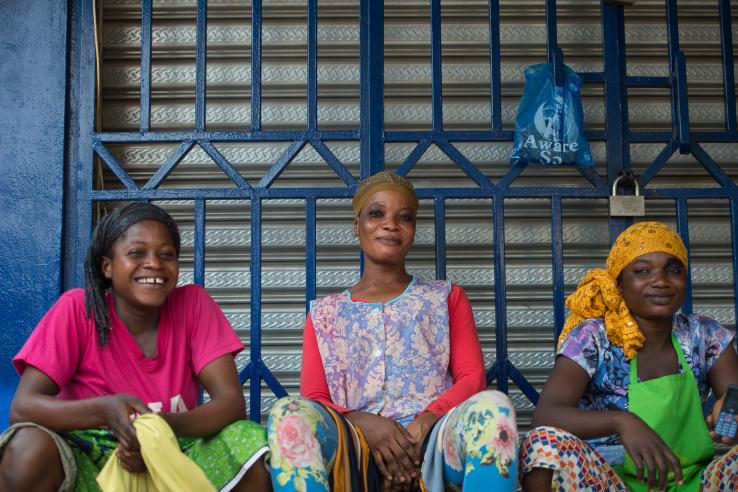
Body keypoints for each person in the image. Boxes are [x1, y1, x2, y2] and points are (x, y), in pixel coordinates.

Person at [267, 172, 518, 491]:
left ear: (413, 230)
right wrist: (364, 422)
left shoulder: (445, 298)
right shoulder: (325, 313)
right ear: (357, 225)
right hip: (353, 442)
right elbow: (315, 396)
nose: (390, 224)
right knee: (287, 412)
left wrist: (423, 423)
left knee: (494, 407)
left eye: (405, 217)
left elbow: (472, 378)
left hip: (433, 441)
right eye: (376, 214)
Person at [0, 202, 271, 492]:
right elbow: (24, 406)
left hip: (175, 448)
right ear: (107, 266)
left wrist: (158, 431)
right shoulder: (78, 310)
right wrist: (105, 412)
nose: (154, 263)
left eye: (166, 254)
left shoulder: (193, 305)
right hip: (91, 456)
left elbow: (231, 404)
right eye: (136, 253)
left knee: (248, 443)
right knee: (28, 447)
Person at [520, 221, 738, 491]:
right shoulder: (593, 338)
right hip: (611, 481)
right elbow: (546, 414)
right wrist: (621, 422)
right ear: (619, 284)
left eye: (673, 270)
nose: (660, 281)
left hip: (693, 481)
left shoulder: (705, 334)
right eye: (642, 271)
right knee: (543, 445)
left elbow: (734, 394)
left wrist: (729, 411)